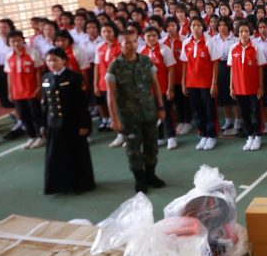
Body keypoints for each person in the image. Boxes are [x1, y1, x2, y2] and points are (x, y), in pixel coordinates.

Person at [107, 32, 167, 193]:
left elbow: (155, 84)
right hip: (128, 115)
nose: (131, 45)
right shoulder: (115, 66)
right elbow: (110, 94)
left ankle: (151, 175)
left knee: (151, 145)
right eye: (127, 42)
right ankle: (140, 178)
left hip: (149, 112)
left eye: (134, 42)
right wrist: (114, 118)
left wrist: (161, 107)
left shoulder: (146, 61)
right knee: (133, 148)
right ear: (120, 45)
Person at [41, 48, 95, 195]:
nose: (52, 63)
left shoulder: (75, 77)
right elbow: (45, 104)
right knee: (56, 156)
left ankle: (80, 184)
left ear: (64, 60)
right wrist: (43, 125)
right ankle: (60, 185)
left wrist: (84, 124)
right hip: (54, 123)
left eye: (55, 60)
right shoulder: (46, 78)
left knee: (77, 155)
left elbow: (81, 104)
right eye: (49, 60)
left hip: (72, 123)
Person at [181, 17, 221, 150]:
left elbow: (215, 63)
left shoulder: (209, 41)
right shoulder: (186, 43)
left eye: (199, 25)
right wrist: (183, 83)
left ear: (203, 27)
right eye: (193, 25)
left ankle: (212, 136)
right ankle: (203, 134)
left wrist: (214, 83)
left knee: (209, 110)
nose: (196, 28)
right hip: (191, 83)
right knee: (197, 111)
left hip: (206, 83)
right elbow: (185, 64)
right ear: (190, 28)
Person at [4, 30, 45, 149]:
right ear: (9, 43)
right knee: (23, 115)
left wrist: (39, 87)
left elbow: (38, 71)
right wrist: (10, 92)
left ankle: (41, 136)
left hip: (31, 90)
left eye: (18, 40)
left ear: (23, 40)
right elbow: (9, 75)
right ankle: (31, 136)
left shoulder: (32, 53)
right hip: (17, 92)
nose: (16, 43)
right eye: (13, 41)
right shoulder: (8, 56)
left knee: (36, 114)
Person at [140, 27, 178, 150]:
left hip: (162, 88)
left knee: (166, 113)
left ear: (158, 36)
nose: (151, 38)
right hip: (148, 90)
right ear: (143, 37)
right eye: (148, 36)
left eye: (154, 35)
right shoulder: (141, 51)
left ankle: (171, 137)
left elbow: (171, 69)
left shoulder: (164, 49)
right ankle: (159, 137)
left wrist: (170, 88)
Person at [230, 21, 264, 151]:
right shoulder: (233, 48)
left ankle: (258, 137)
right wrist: (231, 86)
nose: (243, 34)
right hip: (239, 88)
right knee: (245, 114)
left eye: (246, 31)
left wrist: (260, 86)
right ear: (237, 33)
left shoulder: (256, 47)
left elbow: (260, 67)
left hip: (253, 88)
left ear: (250, 33)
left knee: (256, 113)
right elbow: (232, 68)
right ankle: (250, 136)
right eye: (241, 32)